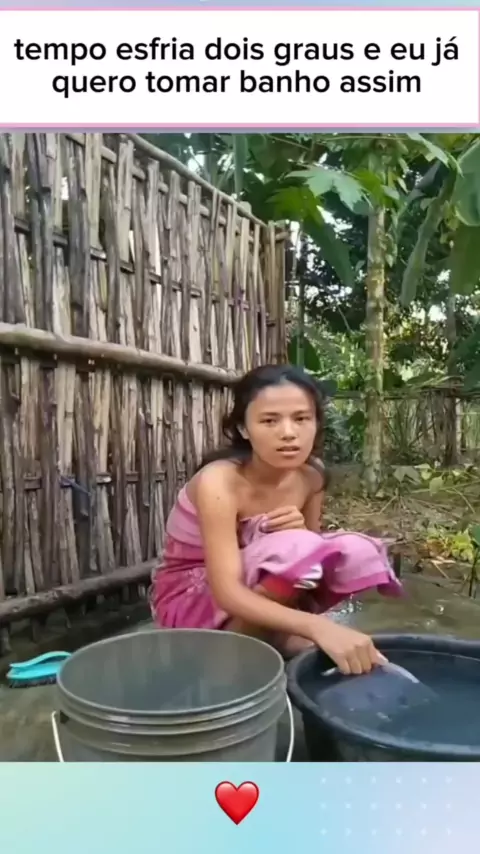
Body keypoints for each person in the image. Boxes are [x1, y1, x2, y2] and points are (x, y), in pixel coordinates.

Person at [150, 364, 402, 675]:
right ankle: (228, 657)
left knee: (351, 549)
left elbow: (310, 560)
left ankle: (271, 636)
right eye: (269, 420)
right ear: (244, 428)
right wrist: (318, 627)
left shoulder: (311, 476)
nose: (288, 433)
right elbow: (227, 591)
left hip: (259, 583)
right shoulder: (219, 482)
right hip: (194, 599)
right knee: (295, 549)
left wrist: (301, 534)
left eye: (301, 418)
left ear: (316, 423)